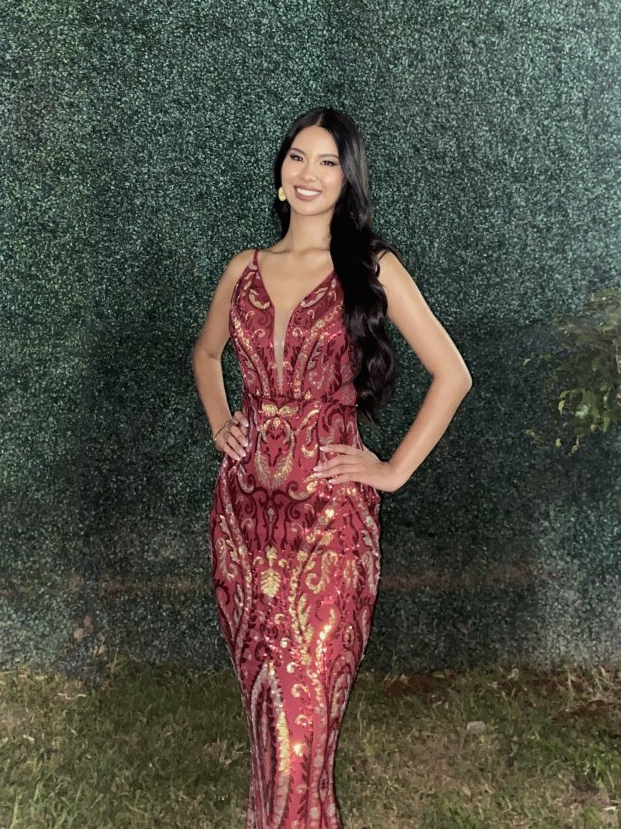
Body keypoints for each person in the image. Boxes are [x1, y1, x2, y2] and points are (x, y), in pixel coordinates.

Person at [192, 107, 472, 827]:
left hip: (329, 531)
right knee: (269, 727)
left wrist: (393, 470)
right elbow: (206, 353)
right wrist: (223, 423)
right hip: (242, 529)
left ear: (347, 180)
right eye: (297, 157)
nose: (309, 173)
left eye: (327, 161)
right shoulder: (243, 269)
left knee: (304, 732)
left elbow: (453, 374)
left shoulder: (372, 269)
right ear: (280, 175)